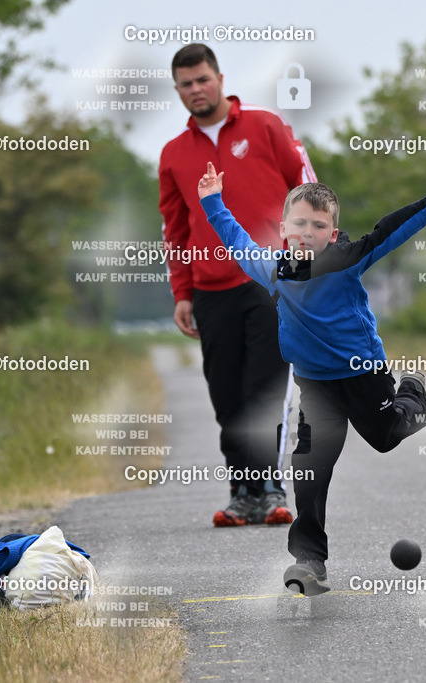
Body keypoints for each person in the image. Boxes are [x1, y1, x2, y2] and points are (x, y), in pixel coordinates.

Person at [196, 161, 426, 594]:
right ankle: (310, 562)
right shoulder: (274, 271)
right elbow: (236, 241)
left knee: (385, 437)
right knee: (310, 471)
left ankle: (413, 392)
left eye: (318, 225)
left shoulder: (346, 260)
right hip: (315, 387)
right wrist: (213, 201)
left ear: (332, 233)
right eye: (299, 222)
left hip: (364, 375)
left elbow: (389, 231)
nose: (307, 232)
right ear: (283, 226)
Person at [158, 44, 316, 526]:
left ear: (220, 78)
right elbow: (176, 230)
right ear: (178, 90)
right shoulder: (173, 155)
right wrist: (182, 292)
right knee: (226, 392)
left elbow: (306, 187)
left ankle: (270, 488)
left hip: (270, 281)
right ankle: (241, 490)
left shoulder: (266, 127)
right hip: (211, 288)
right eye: (186, 84)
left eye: (202, 79)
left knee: (264, 386)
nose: (196, 90)